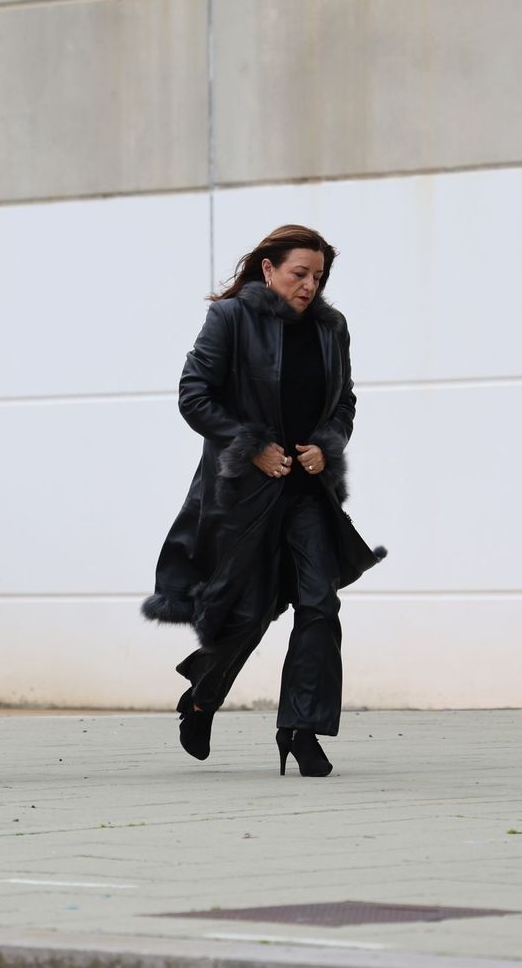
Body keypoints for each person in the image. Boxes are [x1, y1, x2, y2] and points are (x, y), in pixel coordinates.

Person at [142, 224, 385, 777]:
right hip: (243, 496)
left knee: (320, 603)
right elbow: (193, 395)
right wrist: (250, 447)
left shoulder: (331, 329)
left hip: (306, 493)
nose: (309, 286)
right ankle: (203, 699)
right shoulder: (230, 319)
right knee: (246, 613)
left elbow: (344, 403)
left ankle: (300, 729)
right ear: (267, 269)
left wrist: (328, 445)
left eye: (318, 277)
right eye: (299, 273)